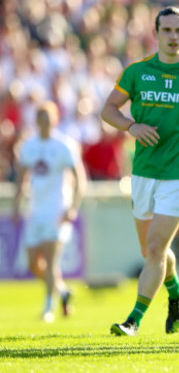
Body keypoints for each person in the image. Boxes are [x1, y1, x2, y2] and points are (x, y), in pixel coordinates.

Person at [100, 6, 179, 336]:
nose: (173, 36)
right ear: (155, 34)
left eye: (178, 30)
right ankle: (176, 290)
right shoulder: (138, 72)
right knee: (152, 250)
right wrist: (131, 126)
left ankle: (134, 320)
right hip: (143, 171)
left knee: (155, 248)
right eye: (166, 30)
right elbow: (108, 110)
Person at [12, 101, 87, 323]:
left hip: (57, 209)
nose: (44, 123)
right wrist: (17, 206)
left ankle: (48, 307)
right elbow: (22, 178)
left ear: (55, 120)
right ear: (36, 121)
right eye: (41, 118)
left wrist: (73, 207)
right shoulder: (29, 146)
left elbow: (79, 178)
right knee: (34, 262)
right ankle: (63, 291)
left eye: (48, 118)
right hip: (35, 209)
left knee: (52, 261)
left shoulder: (64, 145)